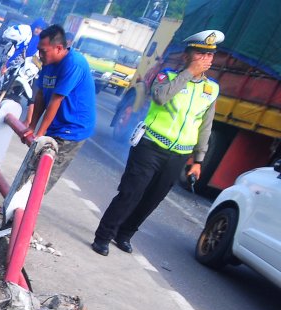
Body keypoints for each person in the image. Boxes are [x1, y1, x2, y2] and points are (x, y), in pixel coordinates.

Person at [91, 30, 225, 255]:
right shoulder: (167, 77)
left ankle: (125, 234)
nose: (206, 59)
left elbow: (205, 126)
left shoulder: (211, 90)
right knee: (130, 193)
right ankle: (103, 235)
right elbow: (161, 97)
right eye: (200, 54)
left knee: (152, 199)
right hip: (150, 146)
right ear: (187, 56)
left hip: (179, 155)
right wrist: (188, 74)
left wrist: (198, 160)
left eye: (210, 55)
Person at [21, 24, 96, 192]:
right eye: (39, 50)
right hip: (55, 123)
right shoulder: (48, 61)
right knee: (31, 165)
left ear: (59, 48)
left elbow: (56, 100)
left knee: (43, 175)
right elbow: (41, 94)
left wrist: (39, 135)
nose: (40, 55)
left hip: (72, 128)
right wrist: (32, 126)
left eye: (44, 51)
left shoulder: (74, 63)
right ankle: (12, 210)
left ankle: (22, 215)